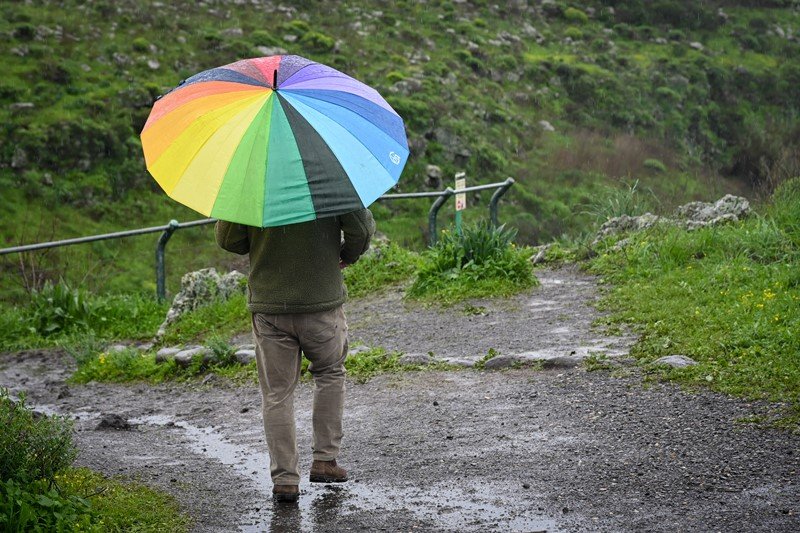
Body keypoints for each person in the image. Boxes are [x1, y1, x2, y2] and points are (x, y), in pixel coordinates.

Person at [215, 209, 375, 503]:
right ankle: (325, 461)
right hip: (321, 303)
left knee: (277, 393)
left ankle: (286, 479)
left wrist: (262, 238)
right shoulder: (331, 170)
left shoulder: (256, 177)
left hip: (270, 307)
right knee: (329, 374)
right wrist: (346, 255)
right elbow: (361, 230)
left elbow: (229, 239)